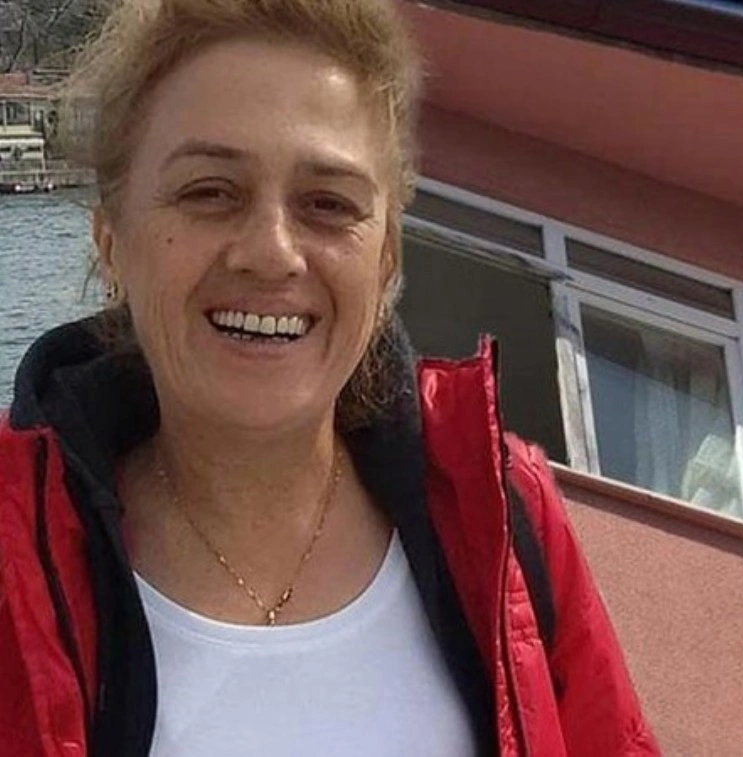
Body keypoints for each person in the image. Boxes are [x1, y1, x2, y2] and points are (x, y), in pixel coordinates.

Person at [0, 0, 658, 754]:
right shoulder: (14, 552)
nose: (272, 253)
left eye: (327, 204)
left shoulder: (503, 514)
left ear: (385, 260)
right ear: (112, 242)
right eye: (210, 191)